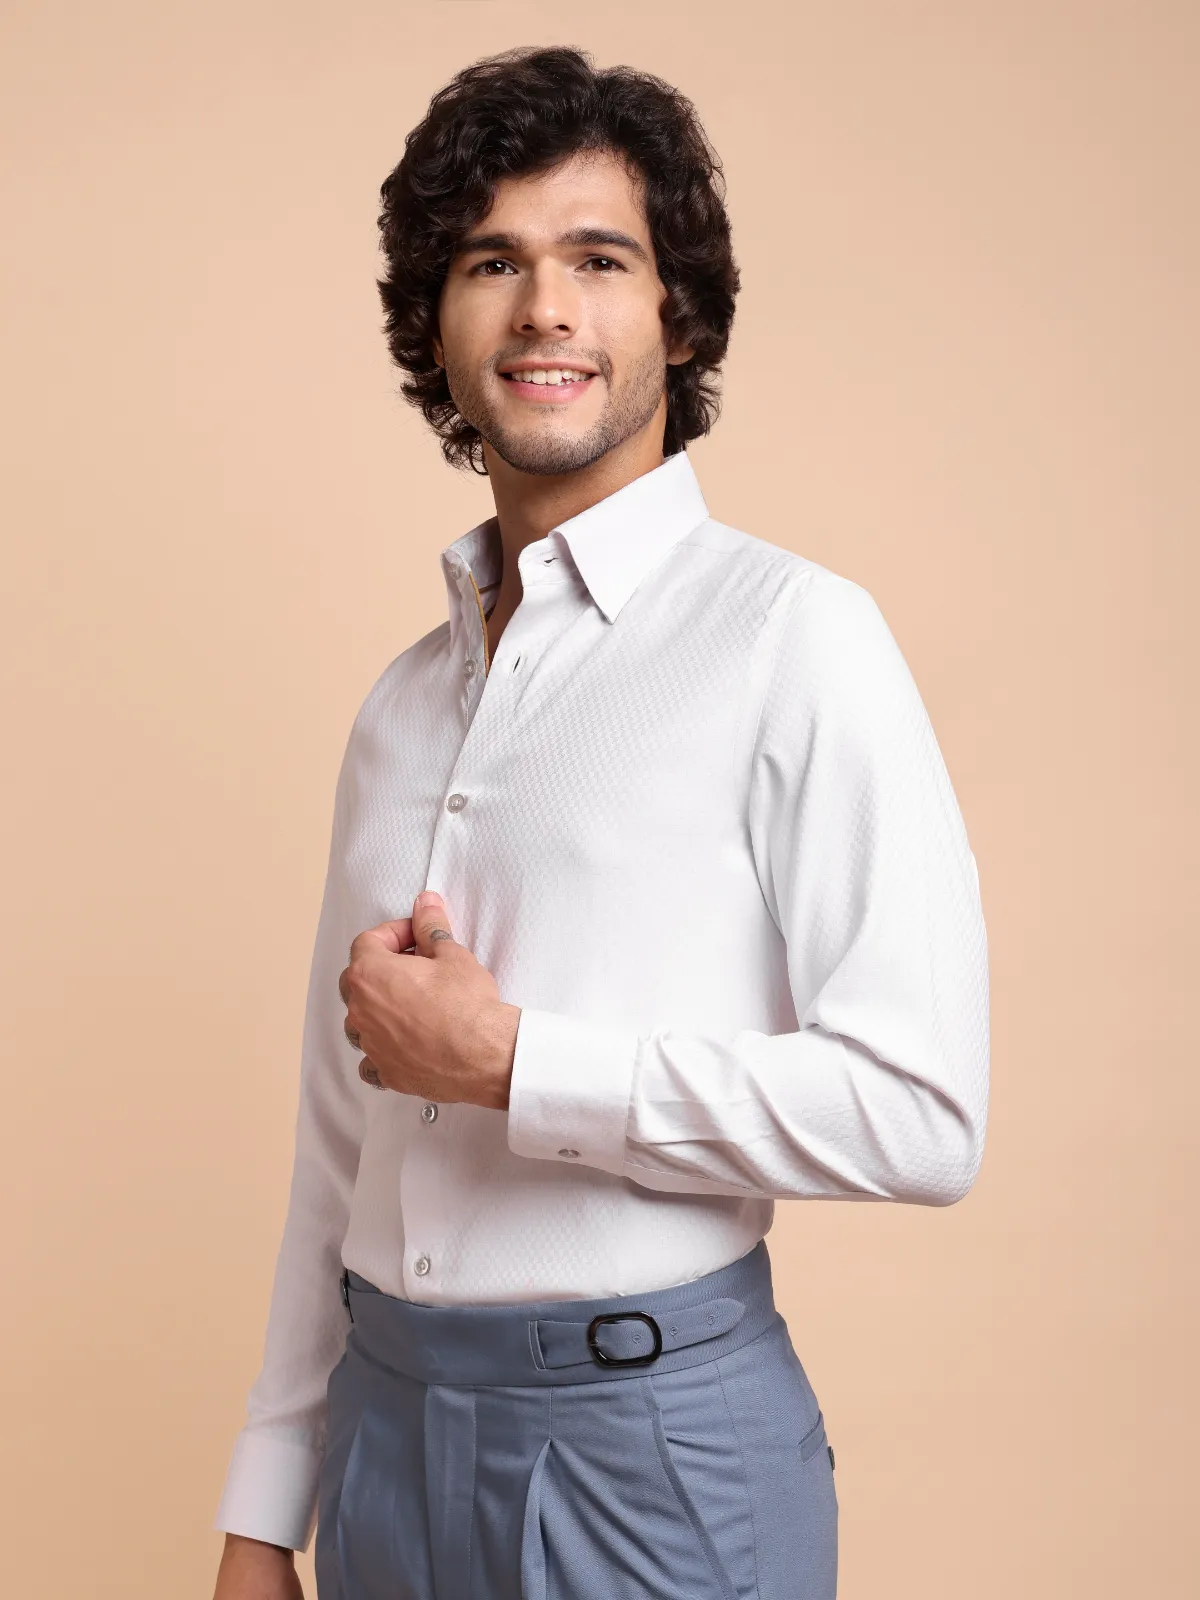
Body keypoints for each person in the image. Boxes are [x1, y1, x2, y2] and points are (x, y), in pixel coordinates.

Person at [210, 43, 989, 1600]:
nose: (544, 308)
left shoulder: (794, 639)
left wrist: (517, 1065)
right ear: (436, 322)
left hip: (649, 1451)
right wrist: (266, 1500)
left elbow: (923, 1111)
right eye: (492, 262)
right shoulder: (400, 705)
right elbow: (338, 1137)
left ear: (676, 316)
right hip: (380, 1443)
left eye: (599, 260)